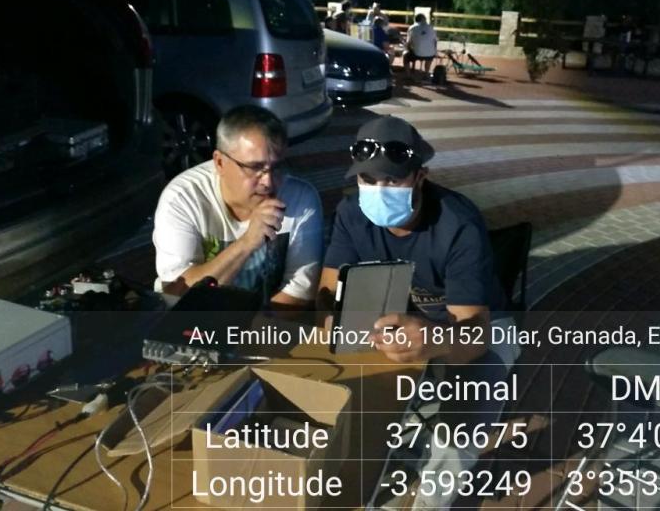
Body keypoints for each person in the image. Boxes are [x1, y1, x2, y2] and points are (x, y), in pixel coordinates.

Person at [318, 115, 518, 509]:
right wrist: (332, 319)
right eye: (367, 179)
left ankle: (431, 502)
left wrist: (434, 341)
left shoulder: (458, 223)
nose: (378, 190)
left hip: (479, 323)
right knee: (351, 393)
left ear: (420, 176)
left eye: (393, 181)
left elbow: (475, 335)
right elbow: (327, 289)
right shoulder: (351, 213)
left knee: (465, 413)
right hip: (394, 315)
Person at [153, 106, 323, 313]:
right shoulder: (183, 198)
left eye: (277, 167)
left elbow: (300, 293)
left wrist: (248, 328)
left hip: (263, 324)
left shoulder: (300, 199)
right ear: (220, 163)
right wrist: (246, 243)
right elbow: (175, 293)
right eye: (255, 168)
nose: (268, 182)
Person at [403, 13, 438, 77]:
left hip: (417, 53)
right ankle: (426, 73)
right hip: (430, 54)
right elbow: (435, 41)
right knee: (429, 57)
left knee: (405, 56)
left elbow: (408, 42)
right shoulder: (431, 27)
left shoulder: (412, 28)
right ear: (424, 19)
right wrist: (435, 51)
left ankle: (408, 75)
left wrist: (408, 48)